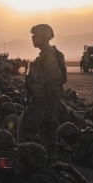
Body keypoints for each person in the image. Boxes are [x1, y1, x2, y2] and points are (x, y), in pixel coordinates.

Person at [17, 24, 67, 163]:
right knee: (48, 130)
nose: (33, 38)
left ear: (44, 37)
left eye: (35, 36)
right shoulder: (45, 54)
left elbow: (55, 75)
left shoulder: (48, 54)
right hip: (48, 99)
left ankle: (22, 159)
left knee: (25, 126)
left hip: (43, 99)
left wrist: (34, 75)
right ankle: (51, 160)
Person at [15, 142, 89, 183]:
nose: (17, 164)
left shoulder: (41, 179)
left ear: (32, 162)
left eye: (21, 161)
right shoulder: (52, 169)